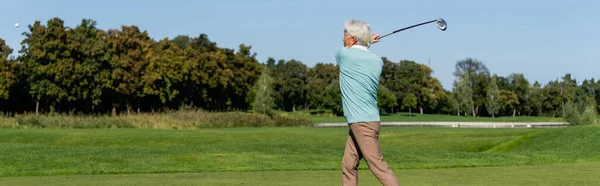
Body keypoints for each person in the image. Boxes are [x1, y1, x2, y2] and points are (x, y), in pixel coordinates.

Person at [336, 19, 400, 186]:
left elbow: (346, 51)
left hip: (361, 122)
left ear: (353, 38)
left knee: (377, 165)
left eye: (345, 34)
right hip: (367, 120)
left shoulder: (343, 55)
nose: (343, 37)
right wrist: (368, 41)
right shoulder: (377, 61)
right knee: (348, 164)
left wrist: (369, 40)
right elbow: (361, 51)